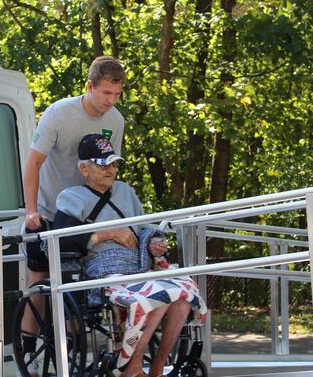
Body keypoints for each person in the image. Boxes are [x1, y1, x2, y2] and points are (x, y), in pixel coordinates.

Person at [53, 134, 206, 377]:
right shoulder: (71, 197)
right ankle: (132, 367)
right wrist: (108, 234)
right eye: (103, 165)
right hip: (103, 272)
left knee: (183, 294)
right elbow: (61, 239)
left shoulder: (126, 191)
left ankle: (157, 368)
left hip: (139, 267)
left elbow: (144, 228)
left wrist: (154, 243)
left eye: (114, 164)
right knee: (156, 297)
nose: (110, 170)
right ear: (84, 168)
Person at [20, 56, 126, 372]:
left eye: (117, 94)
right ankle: (26, 352)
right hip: (50, 208)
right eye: (106, 93)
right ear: (89, 86)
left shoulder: (116, 120)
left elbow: (109, 168)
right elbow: (33, 163)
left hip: (85, 212)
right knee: (39, 281)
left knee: (77, 286)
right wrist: (31, 211)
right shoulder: (59, 114)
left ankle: (75, 354)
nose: (111, 101)